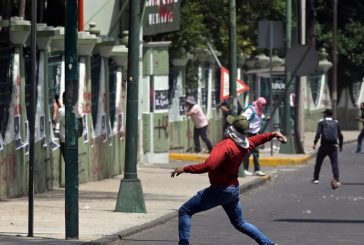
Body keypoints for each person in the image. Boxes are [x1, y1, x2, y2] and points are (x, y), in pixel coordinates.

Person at [171, 114, 286, 245]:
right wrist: (273, 134)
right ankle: (269, 244)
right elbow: (259, 139)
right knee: (240, 223)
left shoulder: (225, 146)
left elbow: (208, 165)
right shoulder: (246, 144)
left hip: (220, 190)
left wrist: (185, 168)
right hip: (233, 190)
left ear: (232, 129)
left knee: (185, 211)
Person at [312, 108, 343, 189]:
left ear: (325, 114)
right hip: (333, 146)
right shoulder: (336, 122)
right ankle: (336, 179)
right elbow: (340, 135)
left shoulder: (321, 122)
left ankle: (316, 178)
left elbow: (318, 133)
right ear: (332, 114)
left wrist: (315, 143)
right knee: (334, 164)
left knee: (318, 162)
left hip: (324, 146)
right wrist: (341, 145)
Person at [241, 97, 271, 176]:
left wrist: (265, 118)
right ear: (259, 103)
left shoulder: (259, 110)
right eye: (263, 104)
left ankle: (257, 170)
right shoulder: (251, 110)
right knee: (248, 152)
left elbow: (261, 116)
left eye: (265, 105)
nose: (264, 106)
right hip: (248, 134)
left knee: (256, 152)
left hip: (255, 134)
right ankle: (244, 169)